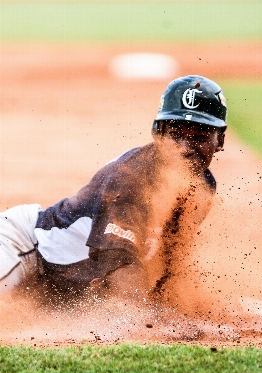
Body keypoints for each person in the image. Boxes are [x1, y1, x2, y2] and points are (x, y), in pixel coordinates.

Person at [0, 75, 227, 303]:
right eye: (175, 135)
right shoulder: (130, 178)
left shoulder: (202, 188)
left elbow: (169, 261)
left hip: (60, 282)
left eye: (199, 137)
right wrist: (155, 323)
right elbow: (119, 267)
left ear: (220, 141)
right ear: (158, 133)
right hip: (26, 249)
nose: (185, 148)